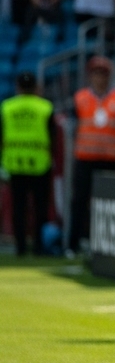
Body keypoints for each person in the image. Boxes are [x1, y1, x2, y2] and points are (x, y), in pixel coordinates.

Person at [70, 56, 115, 253]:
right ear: (90, 76)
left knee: (109, 205)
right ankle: (74, 245)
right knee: (79, 202)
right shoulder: (80, 98)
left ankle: (107, 245)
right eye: (96, 73)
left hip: (111, 160)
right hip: (85, 158)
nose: (99, 78)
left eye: (103, 74)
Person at [2, 73, 56, 255]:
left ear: (17, 87)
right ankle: (39, 246)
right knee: (40, 207)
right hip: (40, 164)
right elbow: (53, 136)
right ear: (36, 88)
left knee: (18, 207)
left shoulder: (7, 107)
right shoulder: (45, 107)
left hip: (15, 163)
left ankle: (20, 247)